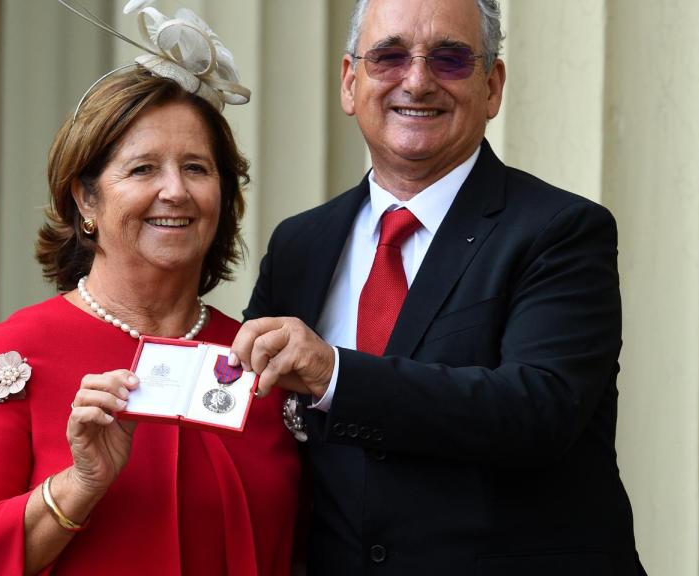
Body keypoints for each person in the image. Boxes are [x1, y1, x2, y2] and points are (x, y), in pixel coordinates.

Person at [229, 0, 646, 573]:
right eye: (390, 56)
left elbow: (537, 411)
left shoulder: (560, 231)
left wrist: (336, 375)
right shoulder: (301, 244)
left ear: (492, 86)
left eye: (449, 59)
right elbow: (258, 422)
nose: (417, 81)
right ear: (351, 83)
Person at [0, 6, 299, 574]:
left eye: (196, 168)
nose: (175, 191)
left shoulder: (257, 362)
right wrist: (78, 486)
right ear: (86, 199)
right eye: (143, 169)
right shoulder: (15, 352)